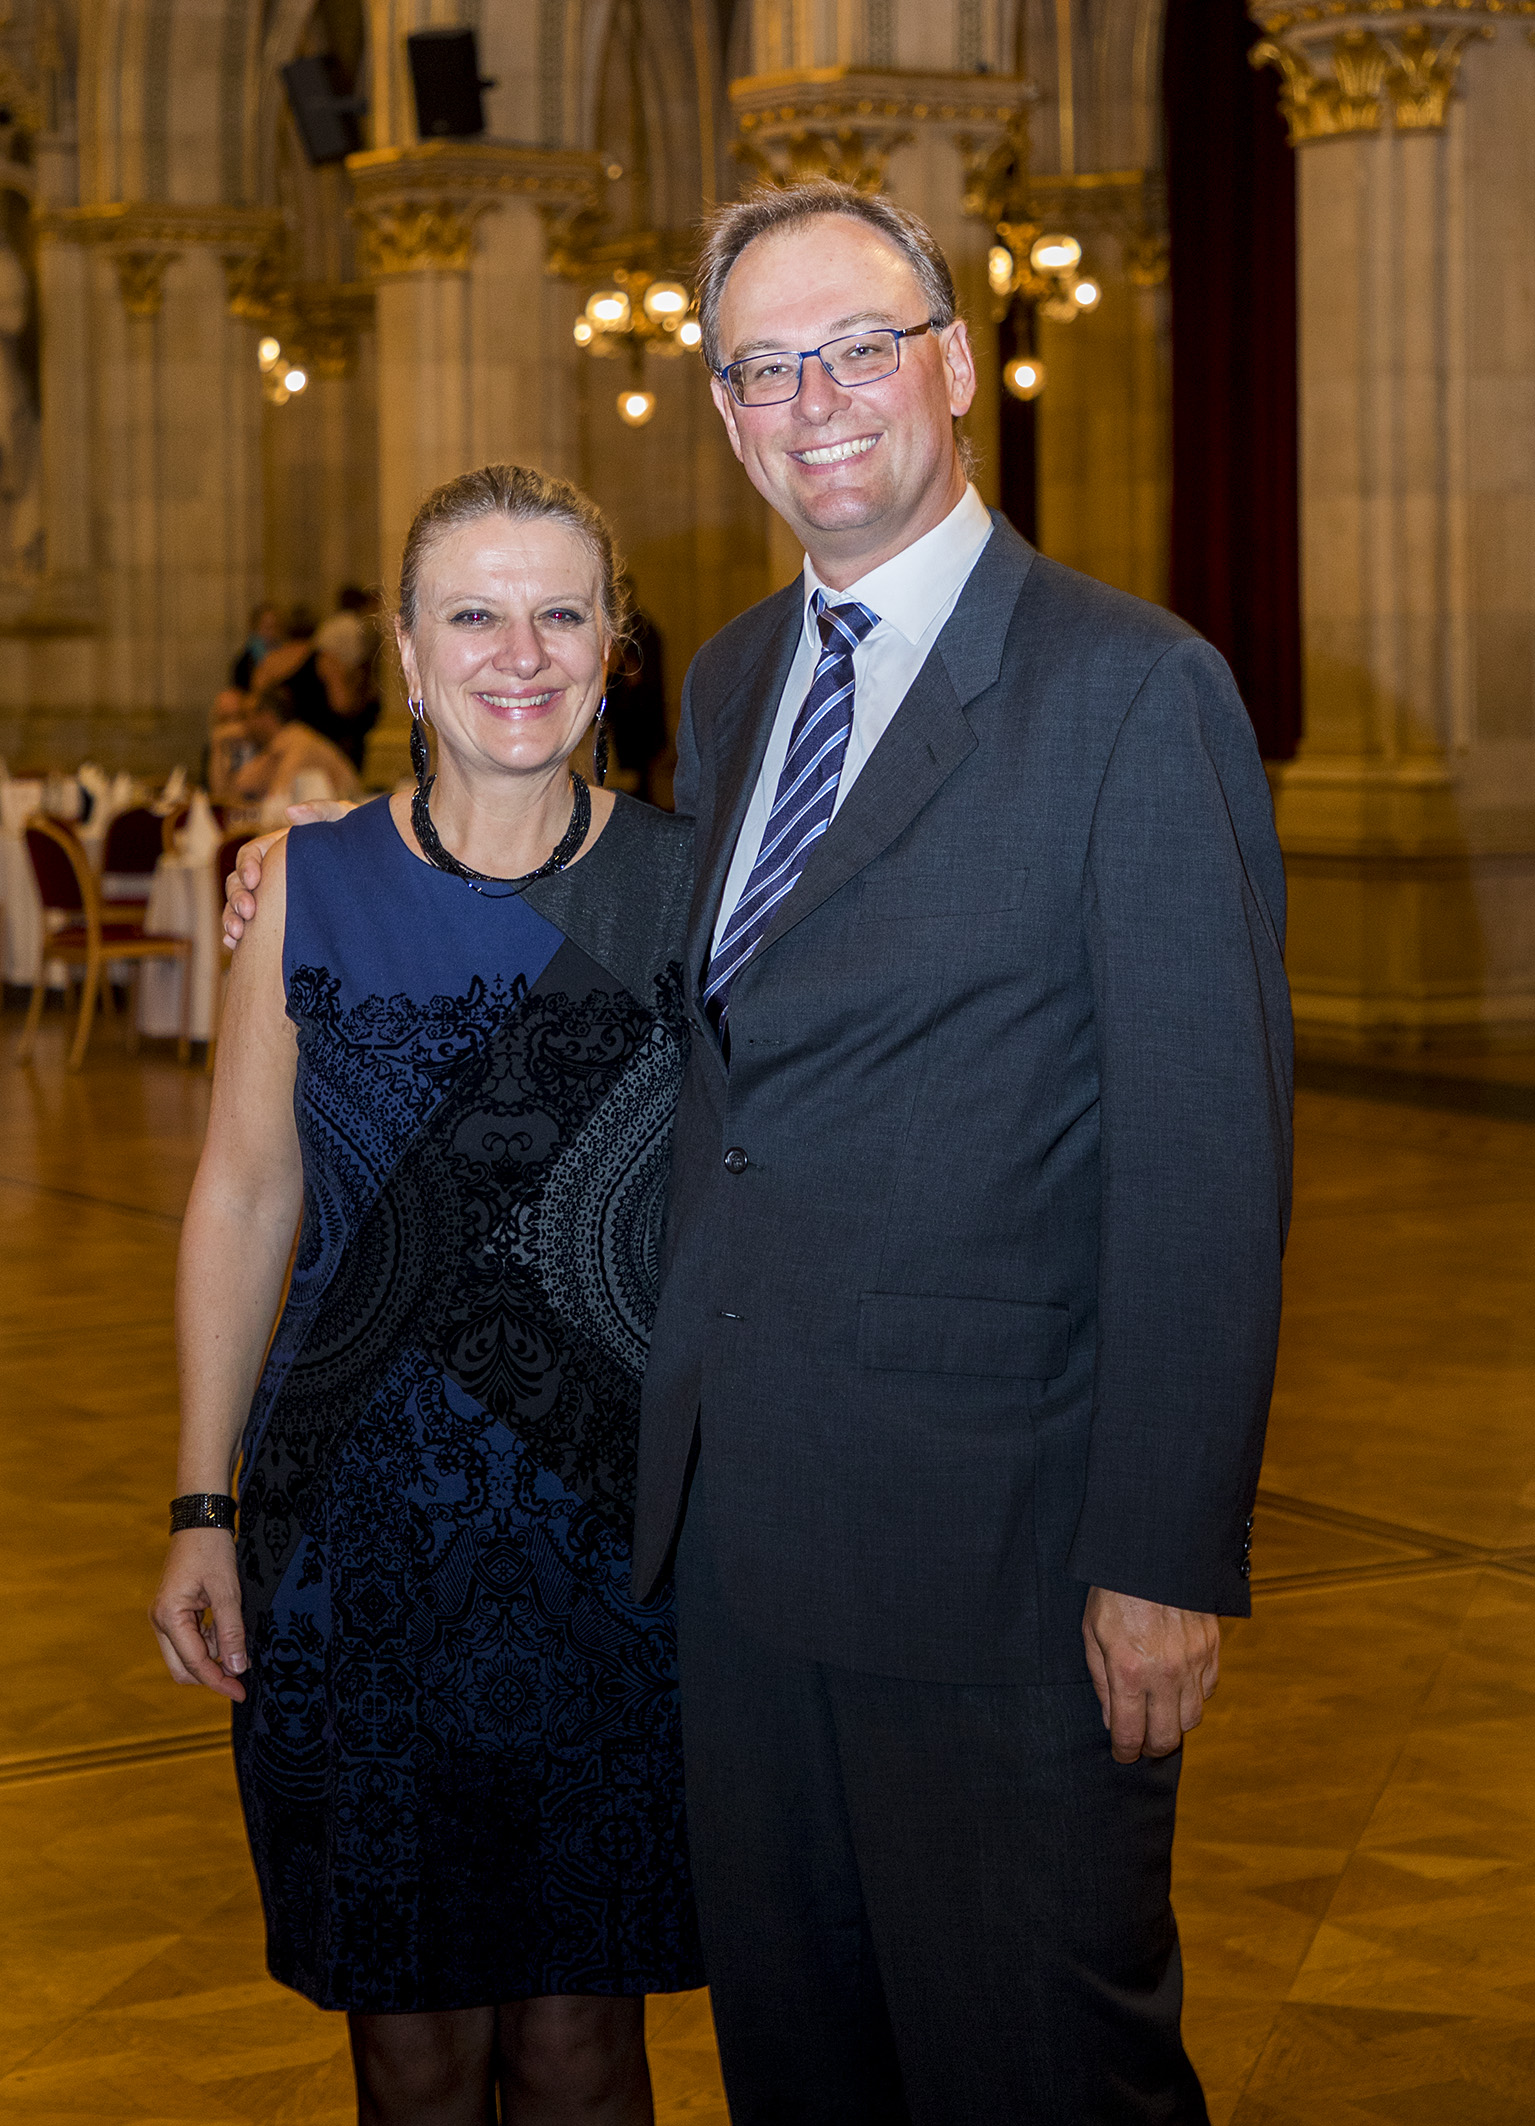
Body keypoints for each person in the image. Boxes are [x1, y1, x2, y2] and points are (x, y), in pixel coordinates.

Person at [225, 184, 1292, 2124]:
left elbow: (1203, 1156)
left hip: (995, 1563)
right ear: (721, 412)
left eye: (859, 348)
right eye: (766, 368)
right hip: (724, 1564)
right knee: (805, 2068)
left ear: (953, 365)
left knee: (1041, 2065)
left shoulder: (1127, 689)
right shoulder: (728, 685)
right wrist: (299, 882)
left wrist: (1158, 1554)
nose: (817, 401)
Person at [154, 465, 702, 2124]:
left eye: (558, 614)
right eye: (472, 614)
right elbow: (244, 1193)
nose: (517, 654)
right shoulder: (303, 886)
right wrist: (199, 1503)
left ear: (611, 646)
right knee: (407, 2047)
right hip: (354, 1541)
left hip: (621, 1539)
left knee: (585, 2047)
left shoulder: (692, 888)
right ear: (403, 651)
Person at [231, 683, 362, 816]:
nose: (243, 725)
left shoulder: (300, 743)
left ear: (266, 716)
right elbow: (240, 787)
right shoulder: (279, 746)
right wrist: (222, 746)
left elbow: (280, 800)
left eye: (246, 716)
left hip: (348, 819)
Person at [231, 602, 285, 691]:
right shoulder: (245, 662)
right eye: (267, 627)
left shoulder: (285, 653)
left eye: (275, 626)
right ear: (255, 627)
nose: (272, 632)